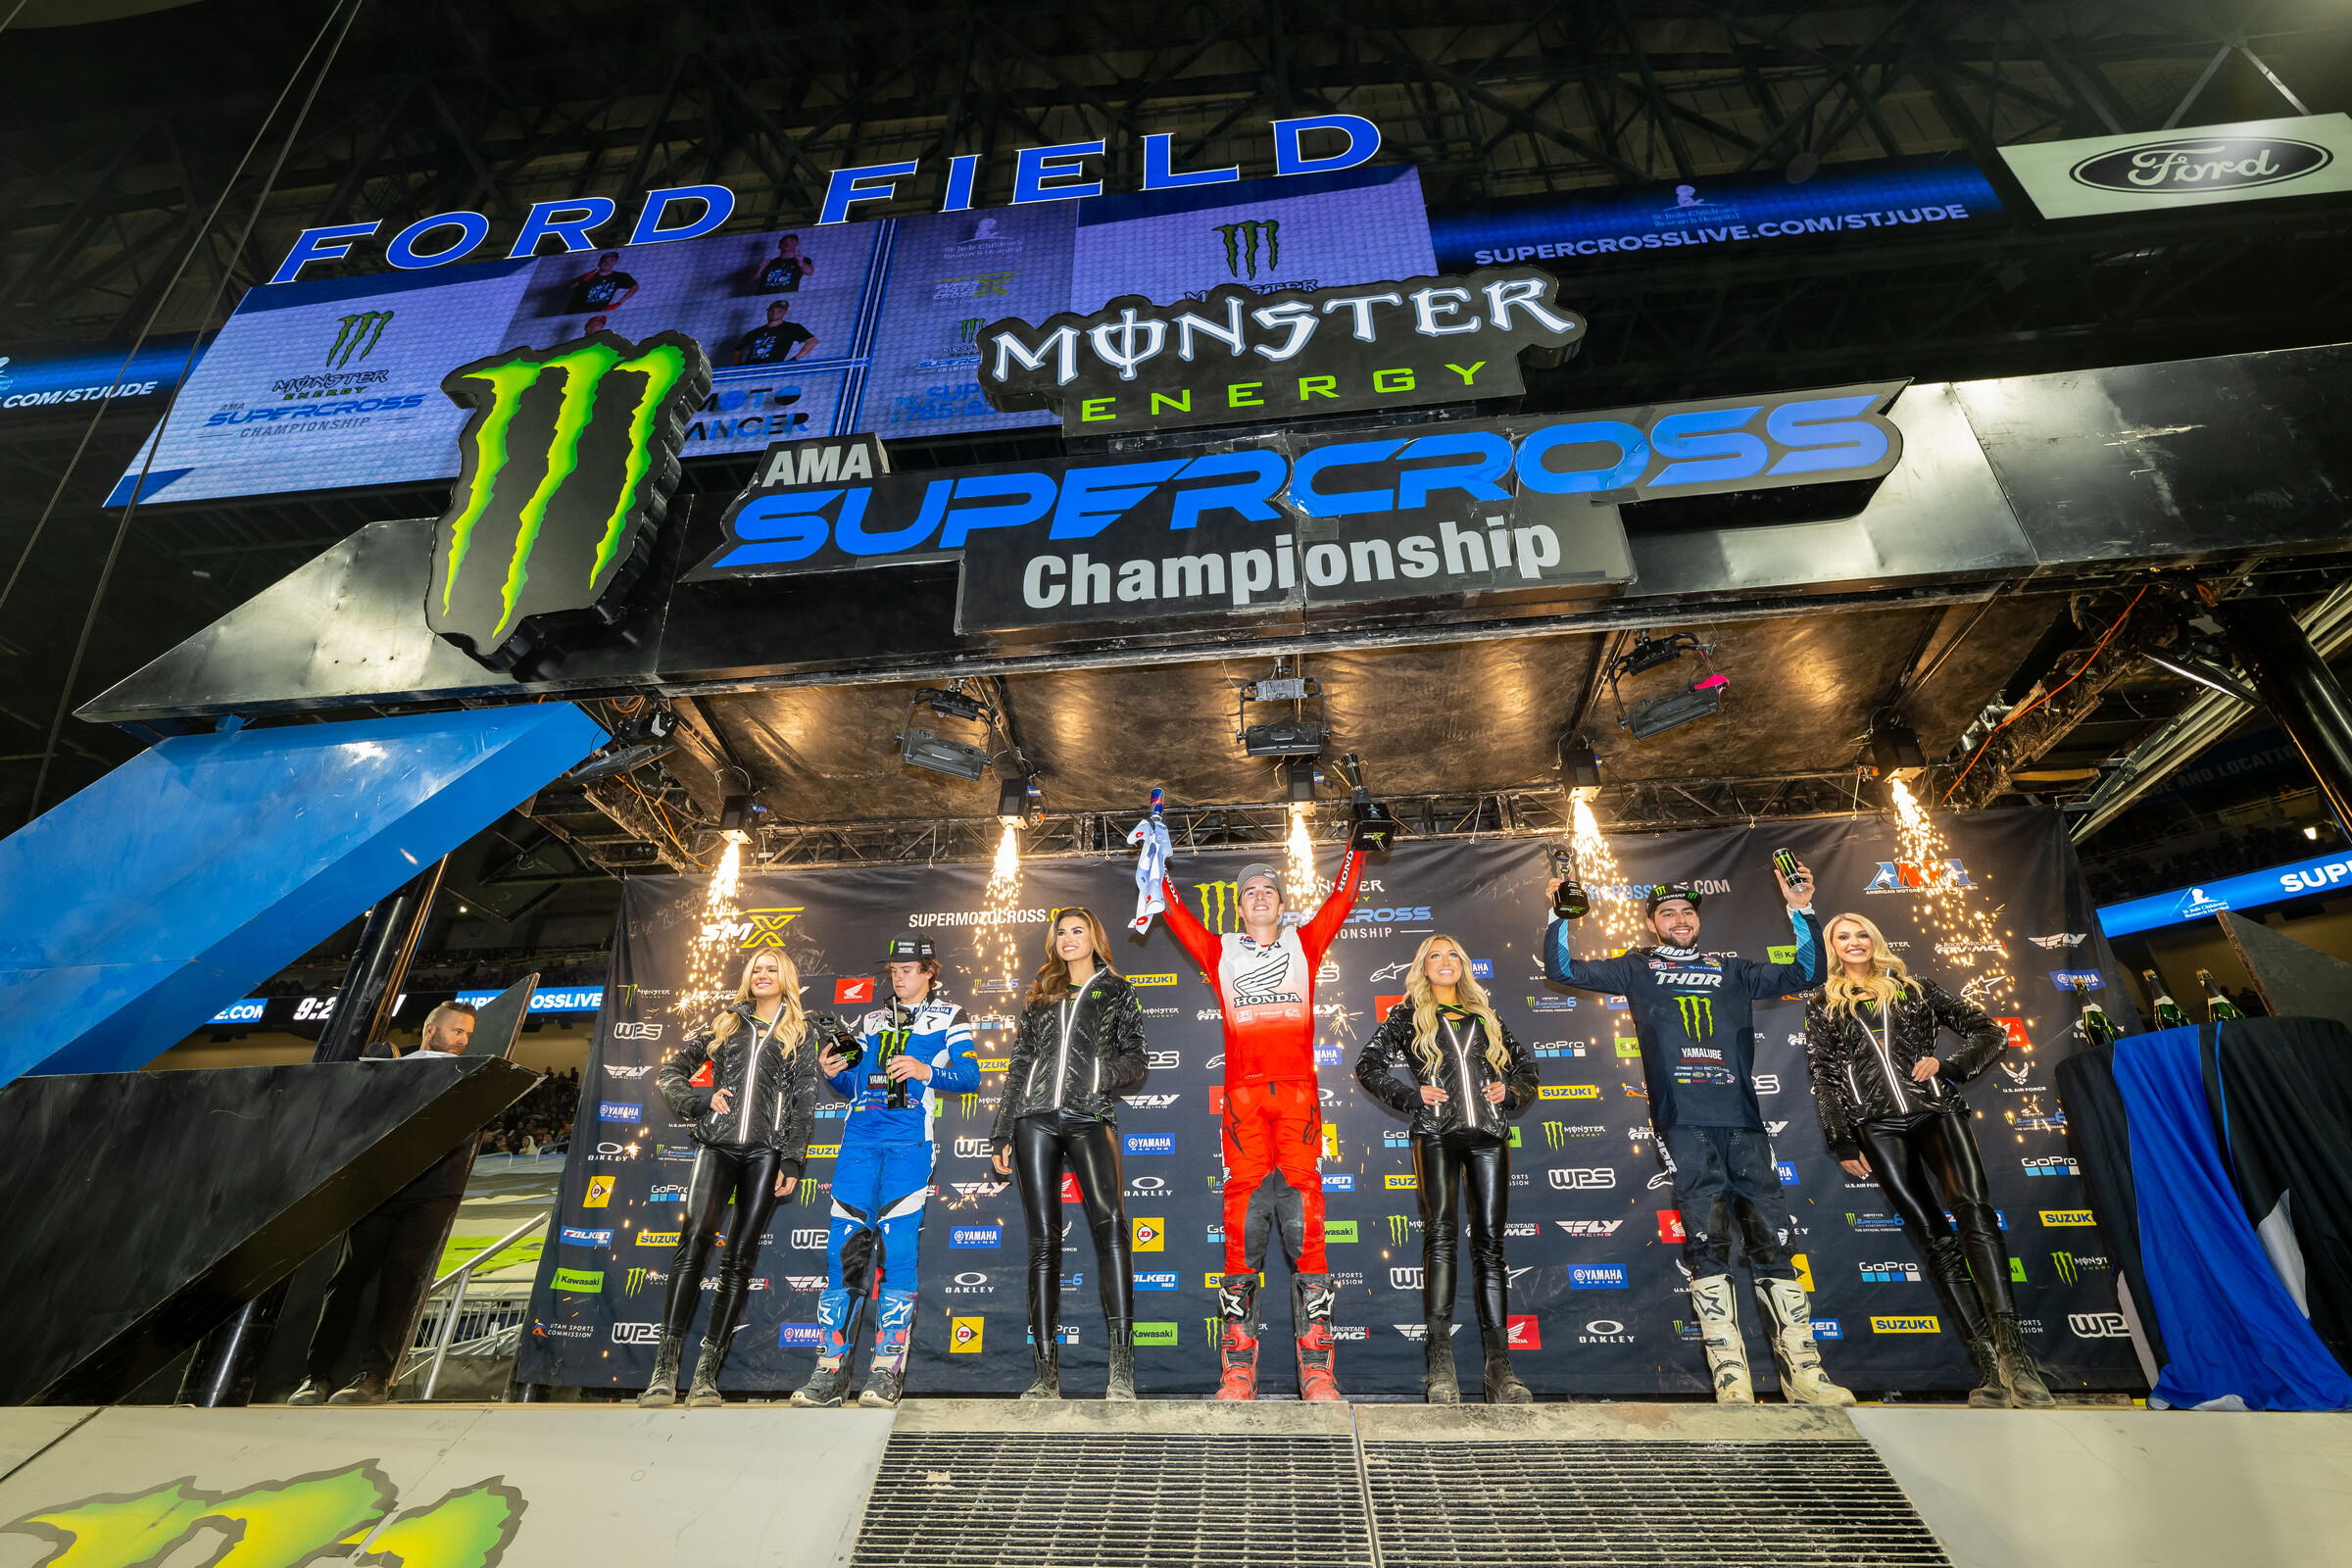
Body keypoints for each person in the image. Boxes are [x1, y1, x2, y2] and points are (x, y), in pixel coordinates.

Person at [1542, 866, 1852, 1406]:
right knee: (1707, 1243)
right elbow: (1561, 967)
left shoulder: (1730, 966)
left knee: (1774, 1239)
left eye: (1687, 912)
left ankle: (1805, 1374)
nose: (1679, 920)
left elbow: (1807, 972)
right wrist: (1559, 914)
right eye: (1668, 913)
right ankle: (1730, 1377)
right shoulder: (1637, 967)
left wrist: (1801, 909)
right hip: (1681, 1118)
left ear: (1697, 920)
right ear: (1652, 922)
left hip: (1743, 1119)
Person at [1804, 912, 2054, 1408]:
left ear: (1875, 940)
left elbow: (1991, 1032)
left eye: (1861, 934)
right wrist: (1842, 1142)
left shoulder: (1916, 989)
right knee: (1935, 1240)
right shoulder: (1822, 1004)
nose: (1853, 943)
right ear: (1833, 948)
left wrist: (1950, 1065)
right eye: (1842, 937)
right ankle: (1989, 1371)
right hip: (1877, 1127)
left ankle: (2018, 1362)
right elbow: (1824, 1076)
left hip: (1937, 1111)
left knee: (1975, 1214)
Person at [1160, 837, 1369, 1401]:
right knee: (1242, 1228)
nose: (1258, 897)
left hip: (1298, 1101)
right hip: (1244, 1105)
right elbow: (1173, 913)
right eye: (1249, 891)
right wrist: (1156, 863)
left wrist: (1358, 844)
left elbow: (1343, 898)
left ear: (1281, 903)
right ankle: (1238, 1370)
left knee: (1308, 1228)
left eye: (1268, 890)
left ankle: (1317, 1370)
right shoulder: (1220, 950)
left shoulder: (1305, 942)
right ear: (1240, 904)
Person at [792, 937, 979, 1409]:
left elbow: (970, 1077)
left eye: (909, 969)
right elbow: (853, 1082)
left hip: (909, 1144)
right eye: (894, 969)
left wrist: (923, 1069)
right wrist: (832, 1069)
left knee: (897, 1250)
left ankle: (885, 1373)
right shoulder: (871, 1021)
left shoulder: (950, 1018)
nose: (899, 977)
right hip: (858, 1141)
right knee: (843, 1251)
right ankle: (829, 1375)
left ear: (930, 972)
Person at [1355, 934, 1541, 1403]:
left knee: (1491, 1247)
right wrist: (1410, 1095)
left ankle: (1501, 1368)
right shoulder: (1406, 1014)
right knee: (1440, 1237)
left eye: (1452, 954)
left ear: (1463, 964)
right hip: (1435, 1133)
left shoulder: (1486, 1014)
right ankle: (1441, 1367)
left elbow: (1527, 1066)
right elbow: (1368, 1065)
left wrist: (1512, 1093)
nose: (1444, 961)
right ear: (1422, 967)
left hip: (1490, 1138)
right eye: (1434, 956)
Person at [641, 946, 819, 1408]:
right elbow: (669, 1071)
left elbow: (804, 1104)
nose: (762, 975)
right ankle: (663, 1372)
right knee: (694, 1243)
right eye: (756, 969)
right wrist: (698, 1102)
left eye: (771, 969)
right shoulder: (725, 1023)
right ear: (748, 977)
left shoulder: (801, 1031)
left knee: (739, 1260)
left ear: (786, 978)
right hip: (715, 1147)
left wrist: (793, 1161)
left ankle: (705, 1376)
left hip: (766, 1154)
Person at [991, 907, 1150, 1400]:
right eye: (1060, 932)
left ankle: (1120, 1372)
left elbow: (1137, 1058)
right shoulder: (1041, 997)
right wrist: (1001, 1132)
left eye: (1078, 930)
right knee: (1043, 1245)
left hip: (1089, 1118)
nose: (1068, 938)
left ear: (1096, 938)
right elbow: (1019, 1064)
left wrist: (1100, 1076)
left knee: (1112, 1231)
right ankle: (1045, 1377)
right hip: (1033, 1120)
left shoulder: (1117, 990)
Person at [288, 1002, 479, 1407]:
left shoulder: (471, 1072)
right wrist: (377, 1068)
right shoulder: (391, 1064)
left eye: (467, 1034)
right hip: (380, 1187)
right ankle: (316, 1377)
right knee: (346, 1279)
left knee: (399, 1278)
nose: (463, 1040)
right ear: (430, 1029)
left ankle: (372, 1376)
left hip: (434, 1188)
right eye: (457, 1031)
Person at [733, 300, 817, 365]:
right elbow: (737, 350)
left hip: (772, 369)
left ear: (785, 312)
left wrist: (794, 359)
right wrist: (739, 366)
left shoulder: (792, 328)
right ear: (768, 311)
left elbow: (813, 341)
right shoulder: (755, 332)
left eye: (779, 311)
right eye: (772, 310)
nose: (775, 313)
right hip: (750, 370)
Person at [564, 252, 638, 316]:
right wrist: (580, 278)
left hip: (595, 316)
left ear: (615, 262)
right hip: (574, 312)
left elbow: (635, 287)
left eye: (611, 261)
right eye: (604, 261)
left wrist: (618, 304)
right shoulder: (589, 276)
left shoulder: (619, 277)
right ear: (599, 263)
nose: (607, 263)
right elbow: (570, 287)